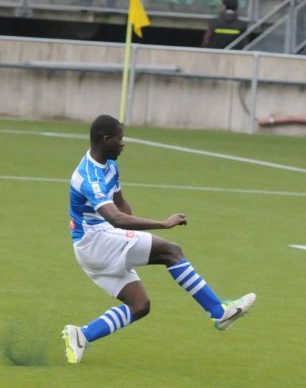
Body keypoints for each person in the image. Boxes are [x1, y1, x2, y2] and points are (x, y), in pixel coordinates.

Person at [62, 115, 256, 364]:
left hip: (98, 242)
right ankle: (219, 312)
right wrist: (163, 224)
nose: (123, 144)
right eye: (120, 139)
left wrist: (136, 236)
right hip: (96, 241)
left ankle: (81, 335)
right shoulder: (89, 177)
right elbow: (116, 219)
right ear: (105, 139)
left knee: (140, 305)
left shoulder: (110, 165)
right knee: (171, 251)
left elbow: (121, 205)